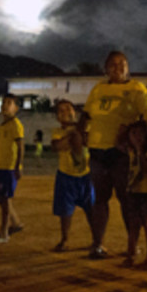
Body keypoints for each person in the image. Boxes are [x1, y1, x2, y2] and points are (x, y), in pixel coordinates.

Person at [83, 51, 147, 259]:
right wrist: (81, 132)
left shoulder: (136, 88)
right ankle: (98, 244)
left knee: (126, 199)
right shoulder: (98, 88)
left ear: (128, 68)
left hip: (121, 153)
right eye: (112, 64)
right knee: (99, 199)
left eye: (122, 63)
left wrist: (130, 132)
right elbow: (86, 114)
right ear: (106, 68)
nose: (117, 67)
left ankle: (133, 245)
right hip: (97, 150)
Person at [51, 99, 95, 252]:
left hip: (86, 175)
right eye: (61, 110)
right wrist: (75, 133)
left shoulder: (86, 128)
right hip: (66, 176)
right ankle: (65, 239)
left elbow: (88, 142)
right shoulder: (57, 131)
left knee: (92, 210)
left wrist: (77, 132)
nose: (66, 112)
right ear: (57, 117)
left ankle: (96, 239)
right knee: (65, 212)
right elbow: (58, 146)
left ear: (75, 112)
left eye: (69, 109)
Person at [0, 95, 25, 244]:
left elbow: (20, 147)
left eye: (9, 103)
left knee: (5, 199)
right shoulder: (1, 126)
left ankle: (4, 233)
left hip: (9, 169)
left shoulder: (16, 125)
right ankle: (16, 223)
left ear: (16, 108)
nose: (5, 105)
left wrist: (18, 166)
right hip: (0, 167)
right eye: (3, 102)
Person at [124, 120, 147, 268]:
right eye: (133, 133)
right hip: (134, 192)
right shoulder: (130, 152)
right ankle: (131, 254)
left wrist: (139, 151)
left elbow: (146, 169)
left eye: (140, 133)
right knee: (133, 225)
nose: (137, 137)